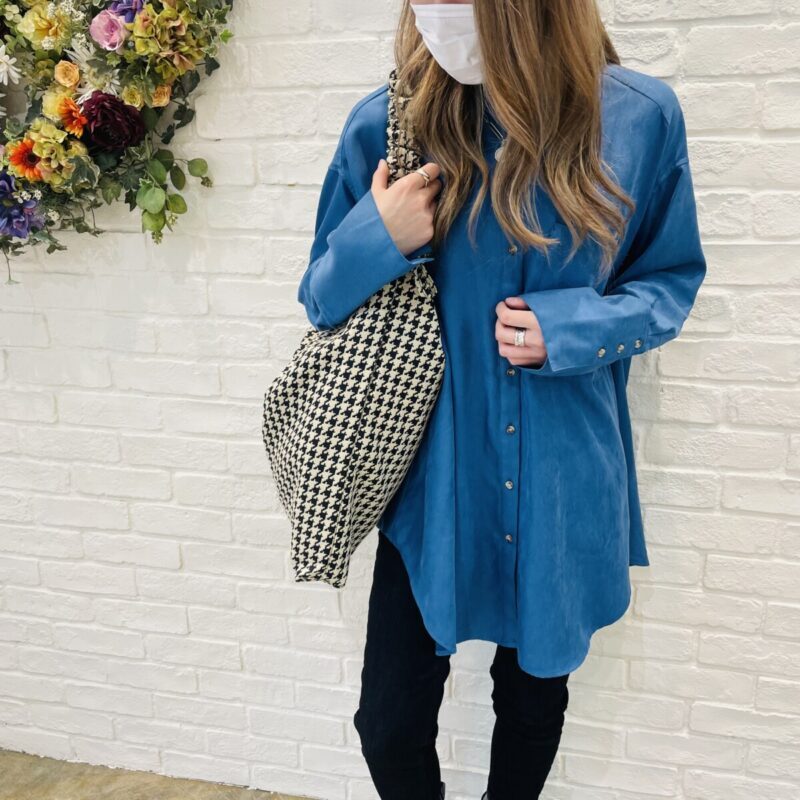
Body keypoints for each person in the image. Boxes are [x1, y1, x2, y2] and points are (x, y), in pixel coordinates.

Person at [296, 1, 706, 798]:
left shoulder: (638, 118)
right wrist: (381, 233)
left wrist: (571, 328)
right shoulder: (388, 126)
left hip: (561, 475)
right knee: (389, 724)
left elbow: (670, 280)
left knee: (531, 704)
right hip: (430, 482)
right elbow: (320, 297)